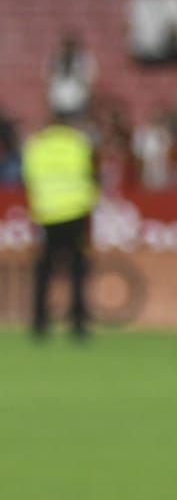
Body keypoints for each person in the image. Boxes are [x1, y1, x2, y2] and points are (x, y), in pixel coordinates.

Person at [23, 108, 99, 339]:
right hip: (75, 211)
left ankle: (39, 321)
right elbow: (89, 174)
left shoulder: (36, 146)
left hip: (47, 212)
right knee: (77, 268)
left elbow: (29, 177)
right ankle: (78, 323)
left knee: (44, 268)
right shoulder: (79, 143)